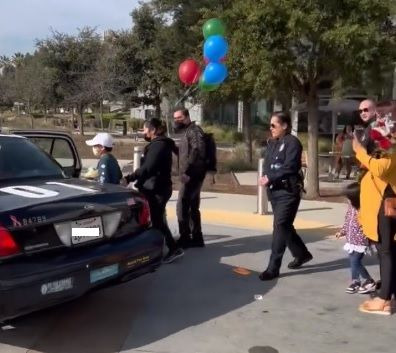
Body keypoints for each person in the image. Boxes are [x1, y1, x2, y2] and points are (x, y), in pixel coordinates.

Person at [258, 111, 313, 281]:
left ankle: (273, 268)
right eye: (270, 125)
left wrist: (270, 177)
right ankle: (302, 254)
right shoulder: (272, 142)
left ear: (285, 126)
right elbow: (268, 163)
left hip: (288, 192)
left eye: (274, 125)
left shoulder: (293, 143)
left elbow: (289, 167)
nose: (271, 128)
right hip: (274, 191)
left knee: (280, 226)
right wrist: (267, 177)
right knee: (285, 226)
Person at [122, 118, 184, 264]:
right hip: (156, 187)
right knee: (157, 219)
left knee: (157, 221)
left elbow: (148, 168)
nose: (144, 132)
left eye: (145, 129)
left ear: (153, 130)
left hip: (157, 189)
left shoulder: (158, 146)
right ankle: (161, 247)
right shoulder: (160, 144)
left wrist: (129, 178)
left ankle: (172, 248)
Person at [353, 134, 396, 315]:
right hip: (381, 205)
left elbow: (380, 168)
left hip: (386, 205)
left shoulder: (391, 148)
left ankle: (384, 299)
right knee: (387, 252)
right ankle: (387, 296)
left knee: (386, 252)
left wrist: (360, 152)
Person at [173, 108, 207, 248]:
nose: (177, 120)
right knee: (193, 207)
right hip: (193, 175)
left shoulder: (194, 131)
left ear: (187, 117)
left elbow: (197, 150)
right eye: (175, 118)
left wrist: (188, 172)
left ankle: (185, 237)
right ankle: (197, 238)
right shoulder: (188, 131)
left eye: (179, 117)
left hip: (192, 176)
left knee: (182, 205)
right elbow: (186, 152)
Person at [336, 183, 376, 294]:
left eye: (349, 198)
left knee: (355, 261)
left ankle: (369, 280)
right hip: (351, 241)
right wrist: (342, 232)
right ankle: (355, 281)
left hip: (360, 242)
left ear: (355, 198)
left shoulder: (364, 210)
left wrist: (369, 239)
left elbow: (369, 225)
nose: (347, 201)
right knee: (353, 261)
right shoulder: (351, 208)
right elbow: (347, 222)